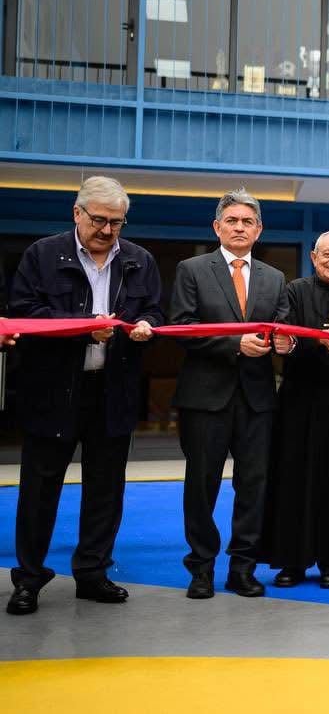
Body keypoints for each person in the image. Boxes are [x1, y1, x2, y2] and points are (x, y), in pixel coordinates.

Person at [5, 177, 163, 616]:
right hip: (54, 391)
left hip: (112, 391)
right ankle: (29, 579)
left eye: (117, 222)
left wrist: (145, 326)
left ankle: (92, 573)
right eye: (99, 220)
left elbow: (154, 309)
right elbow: (24, 312)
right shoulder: (42, 255)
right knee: (39, 490)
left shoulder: (139, 260)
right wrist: (82, 328)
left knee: (106, 490)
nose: (108, 230)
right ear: (77, 213)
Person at [170, 188, 292, 600]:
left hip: (257, 399)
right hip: (205, 397)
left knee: (253, 485)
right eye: (232, 221)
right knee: (202, 486)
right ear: (217, 227)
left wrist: (284, 345)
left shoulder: (274, 279)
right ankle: (201, 568)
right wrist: (234, 345)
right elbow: (184, 328)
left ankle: (243, 567)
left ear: (259, 230)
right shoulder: (192, 269)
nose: (240, 228)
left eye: (248, 222)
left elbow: (281, 329)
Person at [260, 232, 329, 589]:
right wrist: (318, 342)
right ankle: (292, 561)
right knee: (294, 478)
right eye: (328, 254)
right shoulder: (293, 291)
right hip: (299, 399)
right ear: (313, 256)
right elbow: (284, 341)